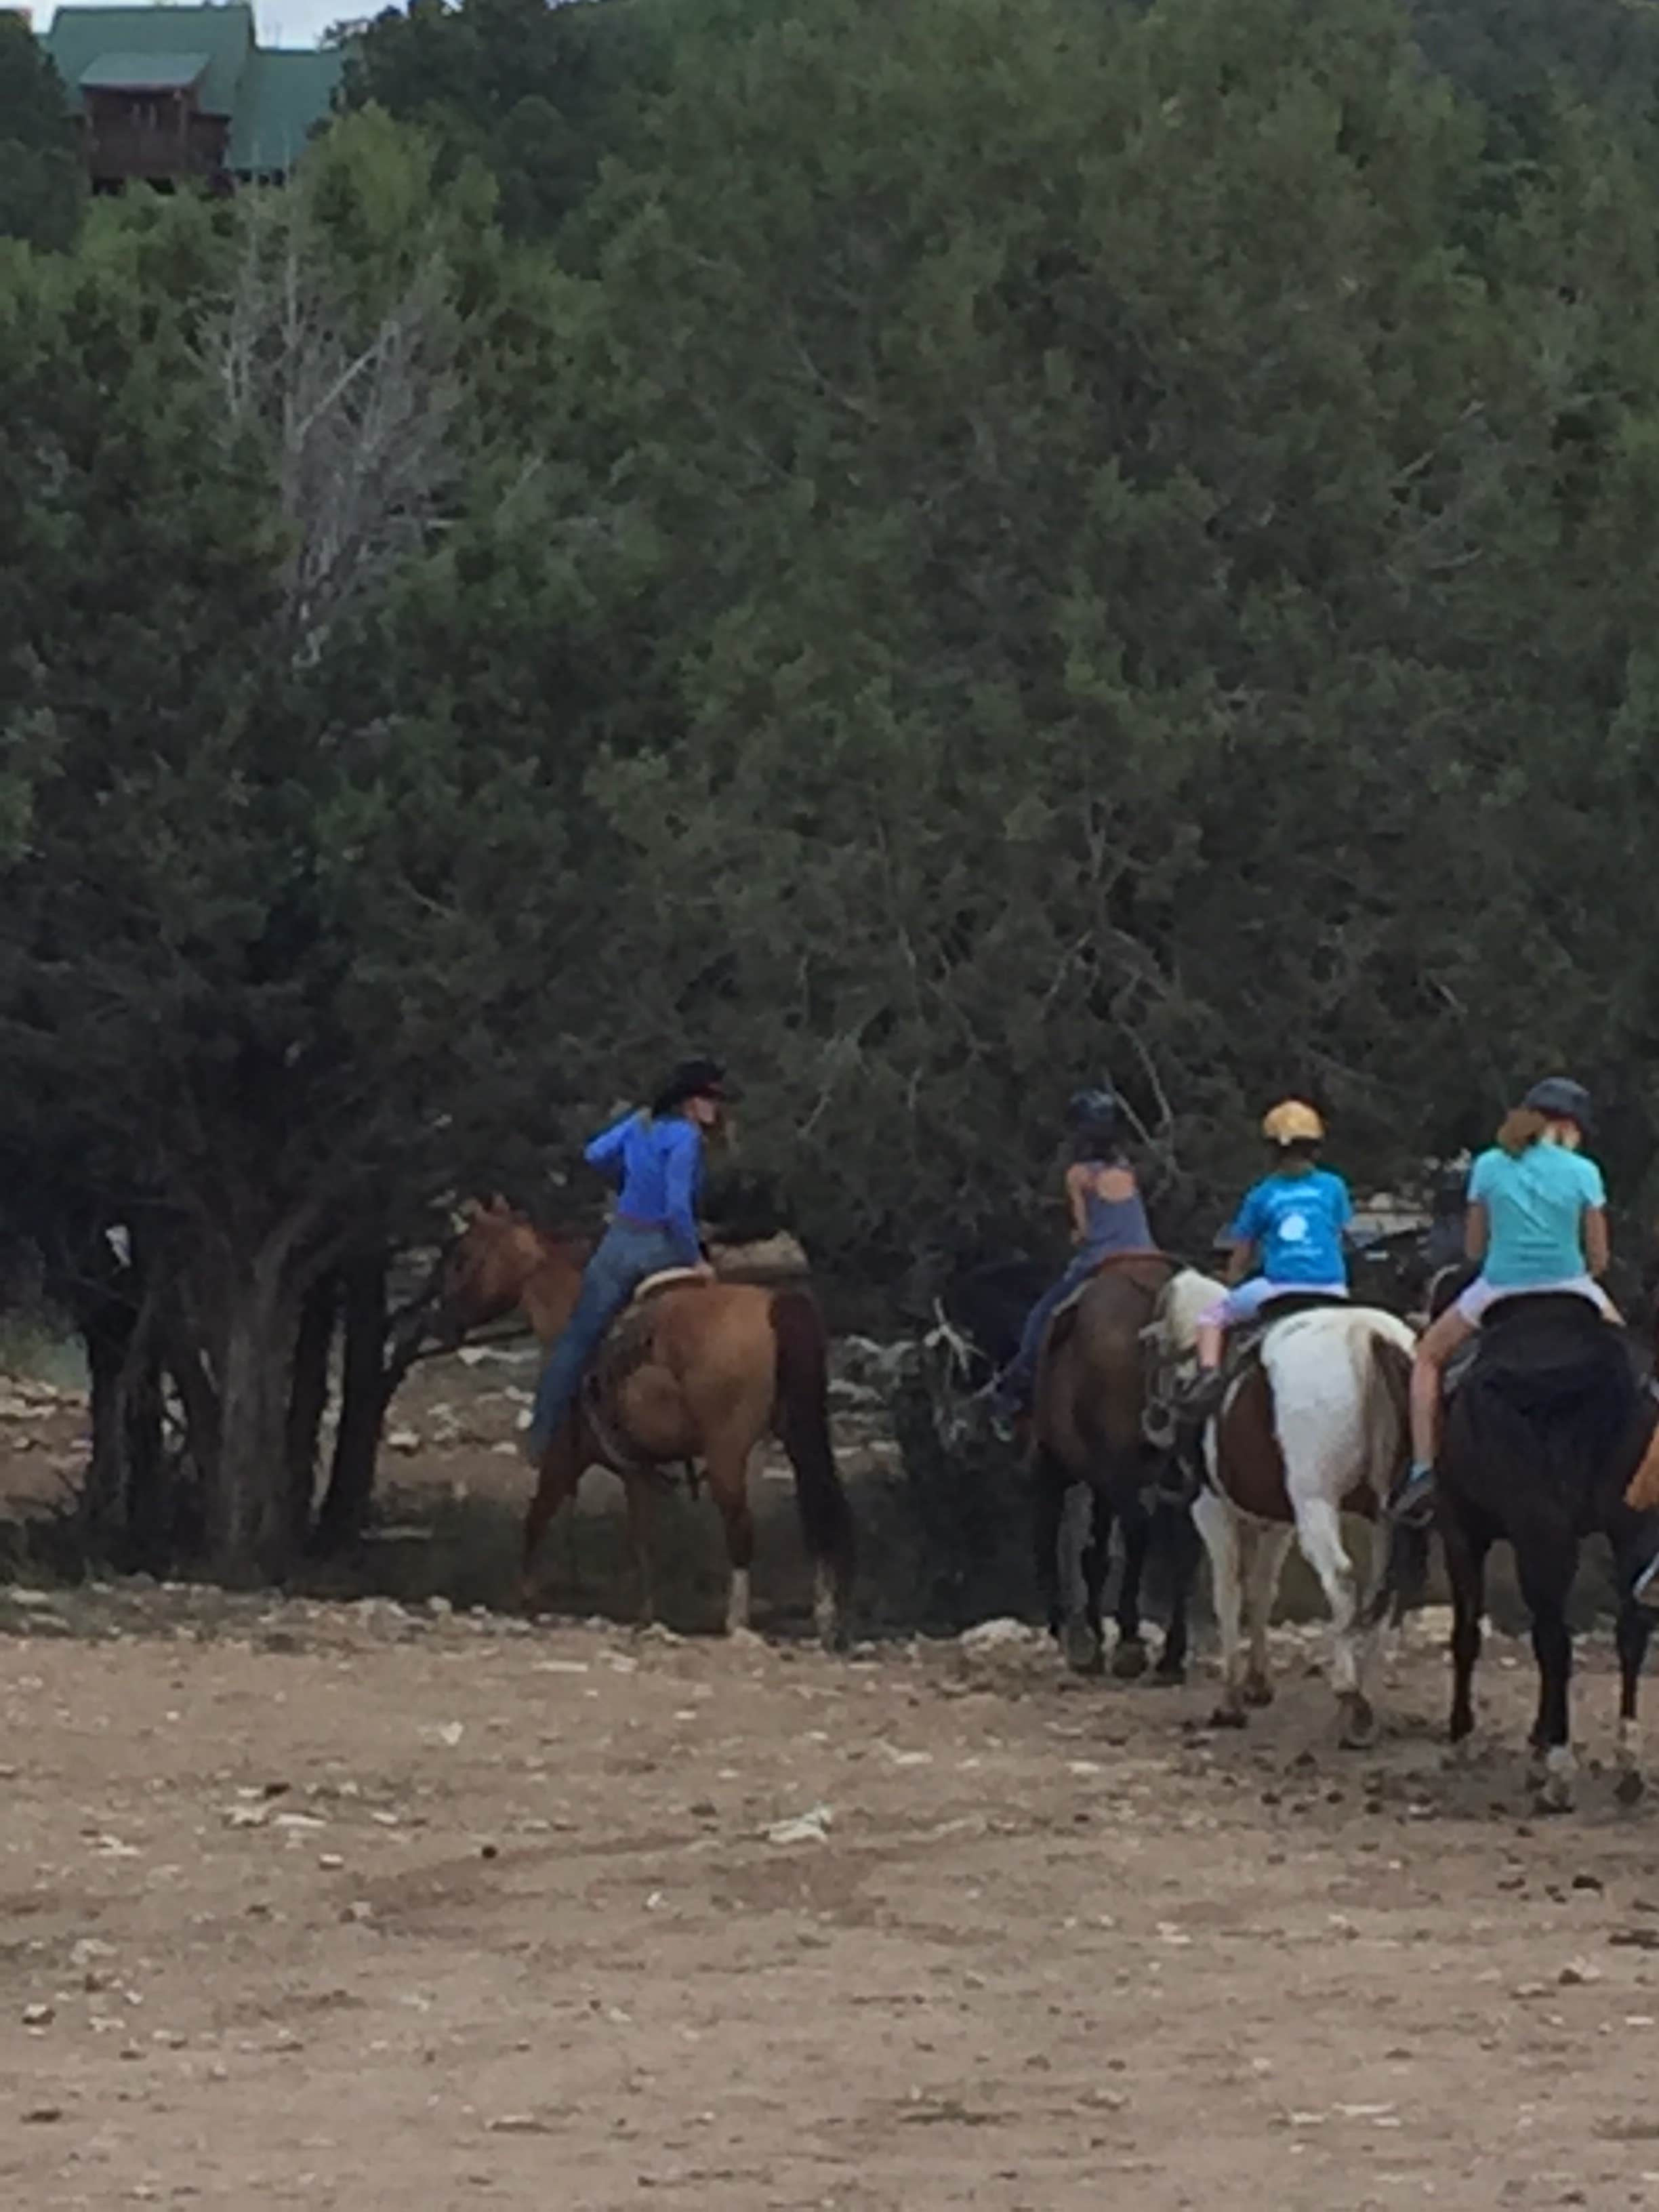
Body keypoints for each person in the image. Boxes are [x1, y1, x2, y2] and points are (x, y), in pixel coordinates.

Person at [1389, 1076, 1617, 1527]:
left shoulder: (1490, 1165)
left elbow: (1474, 1249)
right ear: (1570, 1127)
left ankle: (1423, 1471)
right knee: (1636, 1364)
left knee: (1428, 1359)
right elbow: (1599, 1257)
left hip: (1498, 1287)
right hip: (1573, 1287)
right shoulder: (1585, 1172)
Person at [524, 1058, 727, 1460]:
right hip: (664, 1246)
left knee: (579, 1337)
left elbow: (594, 1153)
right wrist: (694, 1259)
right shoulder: (685, 1140)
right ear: (690, 1102)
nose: (715, 1107)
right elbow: (676, 1209)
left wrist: (629, 1178)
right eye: (709, 1098)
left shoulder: (640, 1123)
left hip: (620, 1240)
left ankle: (542, 1436)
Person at [985, 1086, 1157, 1419]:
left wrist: (1074, 1234)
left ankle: (1017, 1385)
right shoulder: (1128, 1171)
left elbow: (1084, 1232)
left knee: (1041, 1318)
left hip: (1103, 1260)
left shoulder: (1078, 1176)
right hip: (1148, 1255)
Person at [1188, 1099, 1352, 1393]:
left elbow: (1241, 1256)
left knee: (1210, 1318)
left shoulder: (1262, 1193)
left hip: (1279, 1288)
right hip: (1333, 1287)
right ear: (1315, 1147)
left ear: (1272, 1151)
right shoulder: (1334, 1186)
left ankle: (1208, 1378)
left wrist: (1232, 1280)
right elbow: (1337, 1234)